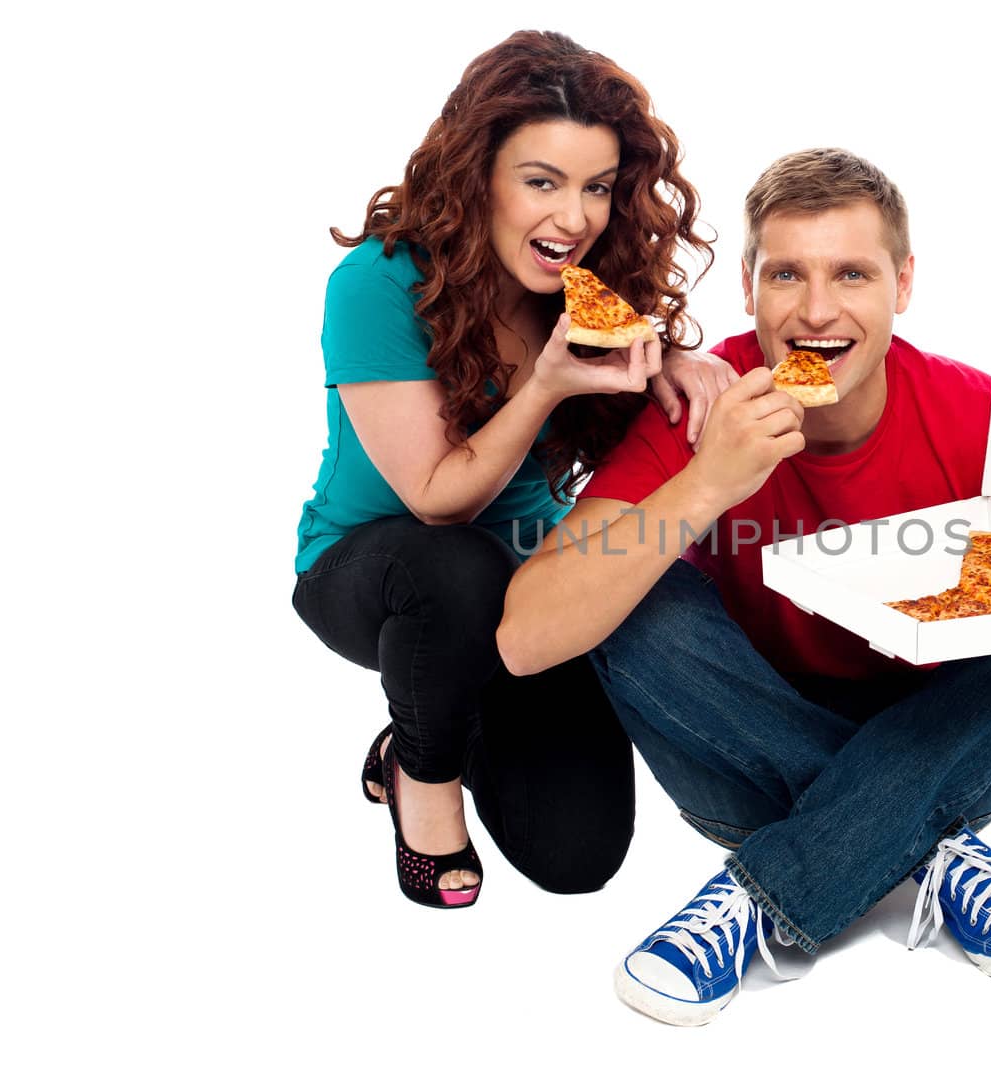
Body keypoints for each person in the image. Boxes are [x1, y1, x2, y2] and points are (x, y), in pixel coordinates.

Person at [497, 147, 991, 1023]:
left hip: (942, 730)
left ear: (903, 285)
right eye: (786, 273)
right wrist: (706, 484)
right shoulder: (701, 404)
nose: (817, 309)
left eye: (852, 273)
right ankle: (926, 844)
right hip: (739, 749)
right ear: (748, 284)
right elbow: (525, 637)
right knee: (637, 595)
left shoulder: (983, 420)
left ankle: (773, 885)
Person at [291, 31, 735, 910]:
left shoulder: (576, 282)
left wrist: (673, 365)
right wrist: (542, 385)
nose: (574, 218)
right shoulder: (375, 284)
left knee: (577, 855)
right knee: (456, 566)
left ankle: (435, 707)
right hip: (380, 570)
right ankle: (423, 773)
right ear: (477, 173)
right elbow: (436, 500)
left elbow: (627, 394)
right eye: (543, 181)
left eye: (597, 188)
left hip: (528, 575)